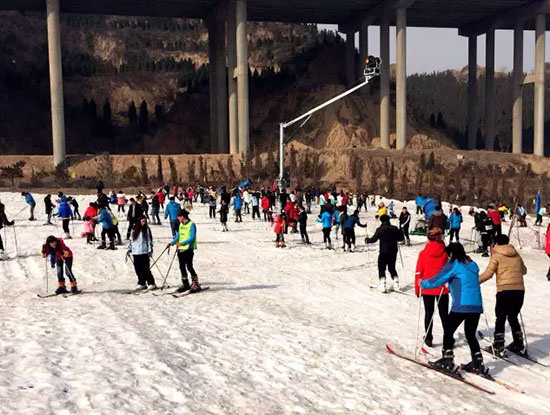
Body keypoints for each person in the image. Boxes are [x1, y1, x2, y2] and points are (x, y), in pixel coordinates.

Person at [422, 243, 486, 375]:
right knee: (470, 333)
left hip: (462, 305)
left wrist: (422, 283)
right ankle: (477, 361)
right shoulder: (472, 264)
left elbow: (438, 280)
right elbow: (463, 281)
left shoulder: (454, 264)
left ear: (451, 254)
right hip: (476, 305)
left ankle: (447, 360)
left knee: (448, 329)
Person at [479, 234, 527, 356]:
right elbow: (524, 270)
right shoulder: (516, 254)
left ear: (496, 243)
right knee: (513, 316)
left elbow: (488, 274)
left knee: (500, 317)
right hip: (519, 290)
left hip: (504, 290)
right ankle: (518, 343)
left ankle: (499, 345)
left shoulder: (496, 255)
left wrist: (475, 281)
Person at [415, 228, 450, 347]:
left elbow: (419, 272)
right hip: (442, 288)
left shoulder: (423, 253)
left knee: (429, 312)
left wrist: (417, 288)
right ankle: (448, 337)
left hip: (427, 287)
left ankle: (428, 337)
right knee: (444, 314)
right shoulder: (445, 253)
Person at [366, 215, 404, 292]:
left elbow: (374, 239)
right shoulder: (394, 228)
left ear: (381, 221)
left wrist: (367, 240)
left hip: (384, 251)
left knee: (382, 267)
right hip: (393, 251)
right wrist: (400, 231)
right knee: (392, 267)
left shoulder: (380, 229)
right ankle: (396, 284)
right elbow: (401, 239)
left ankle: (382, 285)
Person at [170, 210, 201, 293]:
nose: (178, 218)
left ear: (182, 216)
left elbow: (192, 238)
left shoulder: (192, 225)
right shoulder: (181, 225)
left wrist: (182, 243)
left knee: (189, 266)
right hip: (181, 249)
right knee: (182, 267)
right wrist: (172, 242)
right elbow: (179, 236)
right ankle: (185, 283)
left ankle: (196, 283)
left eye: (179, 217)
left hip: (188, 249)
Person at [127, 216, 157, 290]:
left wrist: (150, 250)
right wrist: (129, 249)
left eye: (145, 221)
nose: (144, 223)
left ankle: (151, 283)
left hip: (144, 252)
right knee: (138, 269)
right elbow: (131, 240)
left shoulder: (146, 230)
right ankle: (141, 282)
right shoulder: (134, 230)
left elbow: (149, 240)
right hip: (135, 252)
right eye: (142, 221)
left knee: (146, 269)